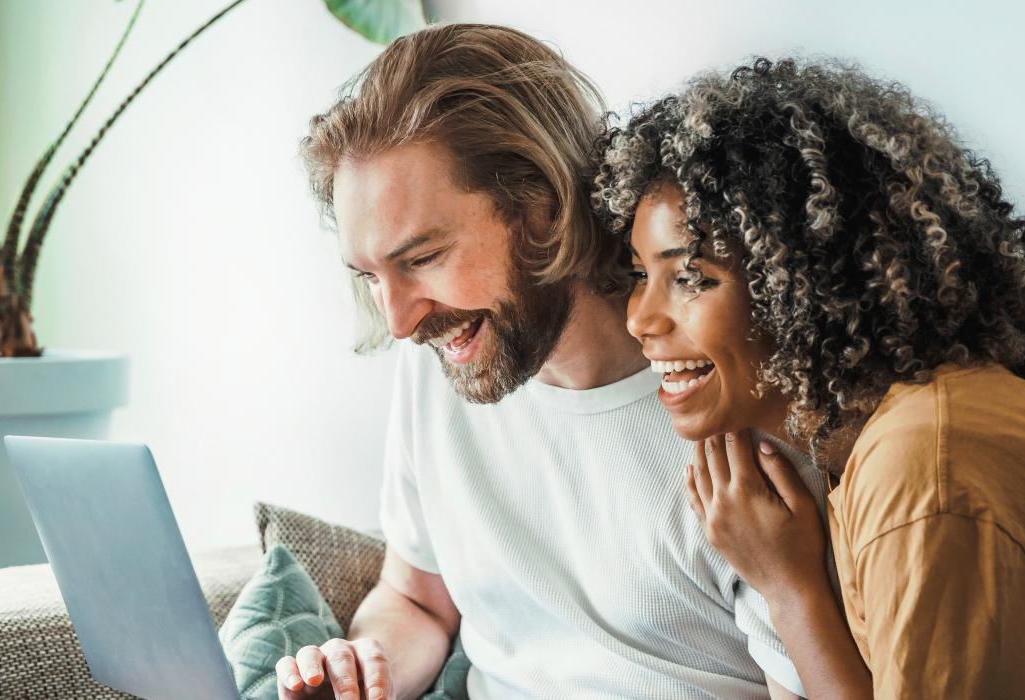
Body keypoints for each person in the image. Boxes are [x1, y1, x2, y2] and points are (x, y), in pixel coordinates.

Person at [596, 56, 1025, 698]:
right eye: (642, 275)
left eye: (691, 277)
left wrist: (789, 590)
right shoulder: (874, 441)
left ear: (811, 287)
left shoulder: (921, 474)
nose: (641, 319)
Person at [282, 25, 836, 700]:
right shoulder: (441, 363)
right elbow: (417, 598)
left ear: (542, 208)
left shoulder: (739, 407)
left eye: (422, 259)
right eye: (371, 274)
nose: (400, 321)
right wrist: (365, 669)